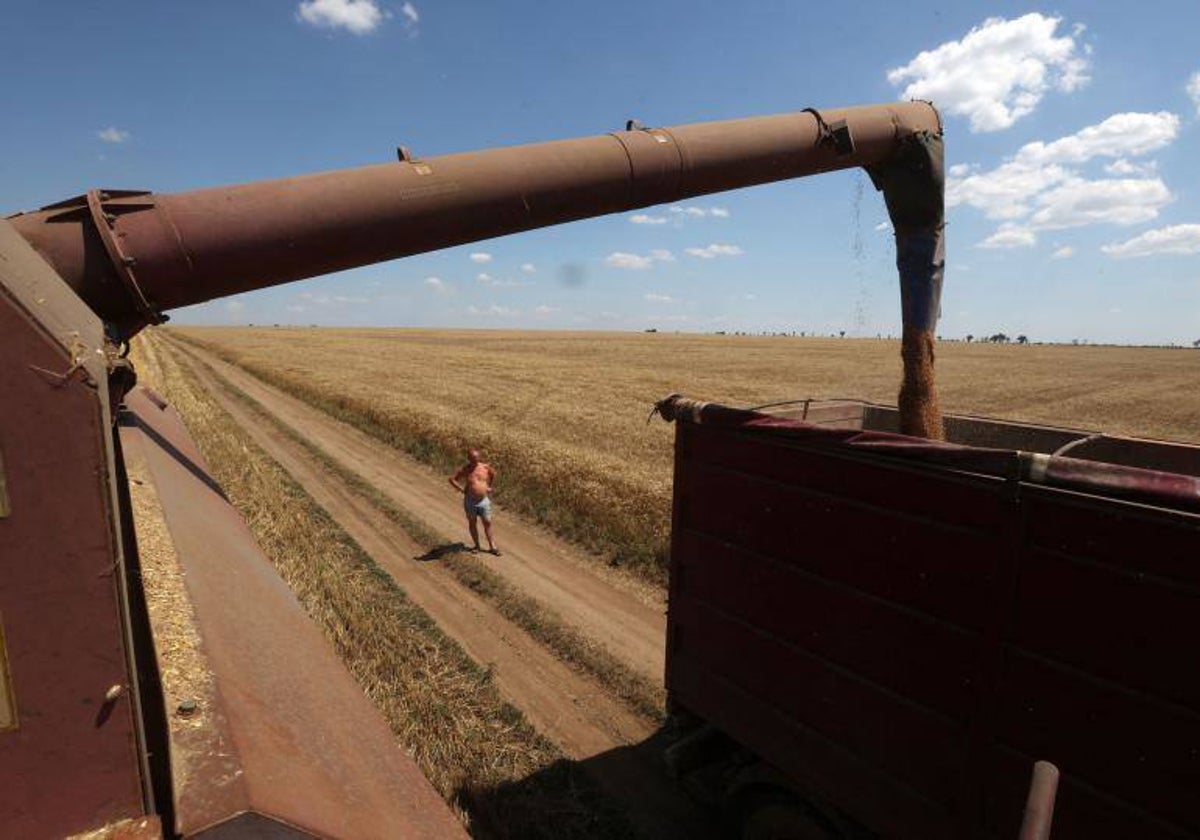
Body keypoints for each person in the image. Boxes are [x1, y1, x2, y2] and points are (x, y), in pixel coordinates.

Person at [449, 448, 500, 555]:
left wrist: (489, 486)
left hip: (483, 501)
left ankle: (492, 546)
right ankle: (477, 545)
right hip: (470, 501)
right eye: (472, 458)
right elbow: (452, 479)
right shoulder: (465, 469)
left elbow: (493, 474)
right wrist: (462, 489)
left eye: (476, 458)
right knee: (472, 523)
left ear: (479, 457)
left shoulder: (485, 467)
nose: (474, 460)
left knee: (487, 522)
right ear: (468, 458)